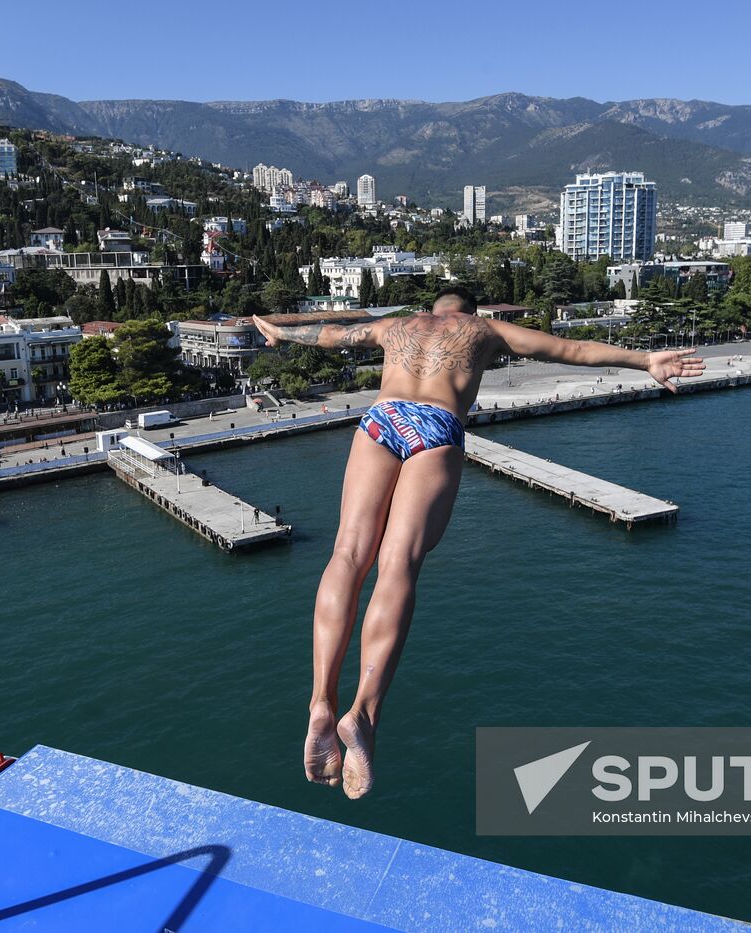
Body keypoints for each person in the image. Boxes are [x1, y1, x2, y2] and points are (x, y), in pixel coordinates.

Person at [251, 286, 705, 800]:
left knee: (349, 553)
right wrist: (645, 359)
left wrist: (278, 329)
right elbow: (570, 350)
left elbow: (330, 334)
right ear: (469, 312)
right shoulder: (487, 332)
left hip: (382, 420)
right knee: (398, 565)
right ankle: (364, 713)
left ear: (434, 308)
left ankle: (320, 701)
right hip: (435, 428)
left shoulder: (398, 326)